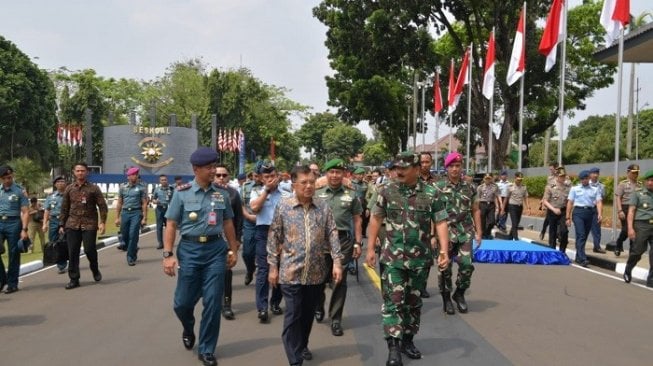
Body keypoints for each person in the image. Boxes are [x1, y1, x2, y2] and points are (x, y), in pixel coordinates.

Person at [366, 152, 450, 366]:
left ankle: (408, 341)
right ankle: (393, 348)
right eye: (397, 167)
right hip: (392, 258)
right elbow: (376, 219)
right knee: (393, 303)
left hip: (420, 260)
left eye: (404, 168)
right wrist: (370, 249)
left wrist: (444, 251)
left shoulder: (432, 193)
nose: (399, 171)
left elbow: (440, 222)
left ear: (416, 169)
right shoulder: (386, 191)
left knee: (413, 303)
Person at [162, 147, 239, 366]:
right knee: (182, 303)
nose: (213, 170)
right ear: (196, 169)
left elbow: (228, 223)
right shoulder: (182, 193)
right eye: (209, 167)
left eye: (214, 166)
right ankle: (188, 326)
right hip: (190, 251)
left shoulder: (222, 193)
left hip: (216, 251)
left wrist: (233, 250)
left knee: (213, 302)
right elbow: (171, 224)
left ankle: (206, 349)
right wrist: (167, 254)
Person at [267, 164, 344, 366]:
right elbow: (274, 237)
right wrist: (273, 267)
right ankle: (295, 360)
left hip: (316, 272)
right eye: (304, 182)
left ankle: (302, 345)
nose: (309, 186)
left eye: (312, 182)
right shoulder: (284, 206)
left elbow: (332, 234)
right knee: (293, 314)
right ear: (294, 184)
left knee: (308, 314)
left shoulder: (323, 207)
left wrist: (337, 262)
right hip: (290, 271)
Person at [313, 159, 362, 336]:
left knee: (339, 281)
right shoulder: (316, 194)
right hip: (320, 242)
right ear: (326, 173)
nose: (335, 175)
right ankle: (318, 305)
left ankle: (335, 319)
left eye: (338, 172)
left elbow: (357, 218)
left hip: (343, 242)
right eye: (331, 171)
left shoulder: (351, 195)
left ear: (344, 174)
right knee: (319, 279)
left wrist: (358, 242)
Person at [436, 152, 482, 315]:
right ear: (446, 168)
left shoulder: (470, 187)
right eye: (452, 166)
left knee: (466, 264)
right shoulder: (438, 187)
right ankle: (446, 298)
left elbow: (475, 210)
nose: (455, 169)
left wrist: (479, 232)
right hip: (445, 233)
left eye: (458, 166)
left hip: (465, 231)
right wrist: (432, 236)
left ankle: (459, 294)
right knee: (445, 268)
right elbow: (432, 212)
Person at [59, 162, 108, 289]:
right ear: (74, 172)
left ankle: (95, 268)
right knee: (73, 252)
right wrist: (61, 224)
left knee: (89, 249)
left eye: (83, 170)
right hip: (72, 224)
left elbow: (102, 206)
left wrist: (102, 222)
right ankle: (74, 279)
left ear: (87, 172)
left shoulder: (94, 189)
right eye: (78, 171)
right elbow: (64, 208)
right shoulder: (69, 189)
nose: (80, 173)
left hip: (89, 224)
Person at [250, 161, 284, 322]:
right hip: (263, 232)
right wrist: (266, 191)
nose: (270, 179)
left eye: (273, 176)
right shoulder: (256, 192)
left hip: (283, 234)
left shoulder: (286, 193)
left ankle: (275, 302)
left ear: (277, 176)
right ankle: (262, 307)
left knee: (281, 268)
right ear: (261, 179)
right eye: (267, 177)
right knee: (263, 270)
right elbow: (255, 208)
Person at [213, 164, 244, 320]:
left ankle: (226, 305)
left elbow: (239, 218)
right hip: (210, 240)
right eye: (218, 175)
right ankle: (213, 302)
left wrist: (237, 240)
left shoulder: (233, 194)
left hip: (227, 239)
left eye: (224, 175)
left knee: (226, 272)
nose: (221, 178)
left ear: (228, 176)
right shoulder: (206, 192)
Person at [0, 165, 29, 294]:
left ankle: (12, 284)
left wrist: (24, 229)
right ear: (1, 178)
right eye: (5, 178)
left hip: (14, 223)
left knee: (13, 254)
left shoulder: (19, 191)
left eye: (10, 177)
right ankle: (2, 278)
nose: (8, 180)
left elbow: (25, 211)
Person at [565, 170, 602, 268]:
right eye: (582, 179)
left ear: (589, 178)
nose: (584, 180)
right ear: (580, 180)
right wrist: (567, 217)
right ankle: (582, 258)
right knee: (581, 234)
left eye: (586, 178)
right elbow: (570, 203)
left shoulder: (595, 189)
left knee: (584, 236)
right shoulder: (574, 189)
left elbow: (598, 202)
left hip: (590, 213)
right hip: (578, 213)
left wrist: (600, 214)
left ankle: (578, 256)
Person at [623, 169, 653, 287]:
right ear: (645, 182)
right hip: (641, 225)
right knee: (638, 251)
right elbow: (631, 211)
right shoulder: (638, 193)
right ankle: (628, 268)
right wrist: (630, 228)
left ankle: (651, 279)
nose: (651, 183)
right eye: (649, 180)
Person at [114, 167, 148, 266]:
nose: (135, 176)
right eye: (133, 174)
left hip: (136, 213)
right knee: (125, 235)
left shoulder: (141, 187)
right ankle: (133, 248)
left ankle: (130, 257)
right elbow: (119, 202)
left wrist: (145, 218)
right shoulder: (122, 187)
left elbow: (144, 204)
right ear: (128, 176)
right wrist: (117, 217)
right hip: (125, 213)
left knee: (133, 234)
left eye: (136, 174)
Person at [42, 175, 69, 273]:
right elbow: (47, 210)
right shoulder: (51, 196)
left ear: (65, 183)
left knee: (64, 242)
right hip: (53, 221)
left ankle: (62, 264)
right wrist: (45, 223)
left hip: (66, 220)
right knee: (53, 241)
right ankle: (58, 260)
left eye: (62, 181)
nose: (60, 183)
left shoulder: (69, 194)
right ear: (55, 184)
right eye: (58, 182)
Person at [541, 167, 571, 252]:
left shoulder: (568, 187)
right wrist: (553, 209)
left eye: (564, 176)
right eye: (561, 176)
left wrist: (569, 216)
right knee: (553, 232)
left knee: (564, 231)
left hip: (563, 211)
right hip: (552, 211)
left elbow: (570, 201)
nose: (563, 178)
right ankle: (552, 250)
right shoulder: (550, 186)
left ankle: (562, 251)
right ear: (557, 176)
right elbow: (545, 201)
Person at [614, 164, 640, 257]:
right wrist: (620, 210)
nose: (635, 175)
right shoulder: (623, 184)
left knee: (634, 230)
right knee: (625, 230)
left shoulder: (640, 184)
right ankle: (618, 243)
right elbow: (618, 198)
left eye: (636, 173)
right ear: (628, 172)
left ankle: (632, 251)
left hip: (636, 209)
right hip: (625, 208)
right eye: (633, 173)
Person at [240, 170, 260, 286]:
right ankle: (250, 269)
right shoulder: (246, 187)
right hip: (249, 222)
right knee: (247, 253)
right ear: (252, 176)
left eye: (259, 176)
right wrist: (247, 216)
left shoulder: (269, 188)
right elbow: (241, 204)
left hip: (265, 223)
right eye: (255, 176)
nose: (257, 178)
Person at [506, 172, 530, 240]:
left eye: (521, 180)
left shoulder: (524, 187)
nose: (520, 181)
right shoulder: (510, 187)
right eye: (518, 179)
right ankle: (516, 239)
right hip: (512, 206)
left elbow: (526, 197)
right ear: (515, 178)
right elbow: (506, 198)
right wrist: (503, 208)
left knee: (516, 223)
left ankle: (509, 238)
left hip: (520, 207)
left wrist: (528, 208)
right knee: (514, 222)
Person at [152, 174, 174, 249]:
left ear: (167, 180)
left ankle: (169, 242)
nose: (164, 181)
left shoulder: (171, 188)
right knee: (159, 227)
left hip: (169, 209)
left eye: (165, 179)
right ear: (159, 181)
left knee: (169, 227)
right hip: (159, 209)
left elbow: (175, 198)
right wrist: (155, 201)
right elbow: (153, 199)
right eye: (162, 180)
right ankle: (160, 243)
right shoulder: (157, 189)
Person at [477, 173, 501, 239]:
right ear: (484, 179)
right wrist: (477, 208)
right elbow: (478, 198)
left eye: (489, 178)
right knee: (482, 221)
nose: (487, 180)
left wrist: (498, 206)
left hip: (491, 204)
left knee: (492, 221)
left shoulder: (495, 186)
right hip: (482, 204)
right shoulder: (480, 187)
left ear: (491, 179)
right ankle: (483, 234)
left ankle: (487, 232)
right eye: (486, 178)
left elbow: (496, 197)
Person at [588, 167, 606, 253]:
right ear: (590, 174)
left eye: (597, 173)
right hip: (586, 209)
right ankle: (580, 246)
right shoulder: (585, 184)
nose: (595, 175)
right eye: (593, 173)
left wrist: (600, 211)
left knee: (597, 229)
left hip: (596, 209)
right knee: (583, 229)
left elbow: (602, 198)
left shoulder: (602, 186)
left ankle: (597, 246)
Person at [540, 163, 559, 240]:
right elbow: (547, 190)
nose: (550, 171)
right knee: (548, 219)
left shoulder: (562, 177)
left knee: (559, 219)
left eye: (551, 169)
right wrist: (543, 201)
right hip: (551, 202)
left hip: (559, 201)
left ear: (556, 169)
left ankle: (557, 235)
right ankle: (543, 231)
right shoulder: (550, 178)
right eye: (550, 169)